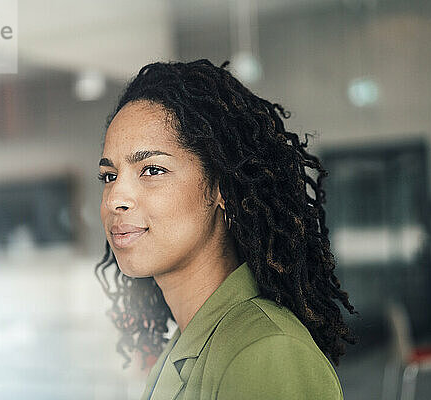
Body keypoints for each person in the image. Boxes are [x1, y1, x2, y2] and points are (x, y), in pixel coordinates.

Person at [95, 59, 358, 400]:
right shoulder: (186, 348)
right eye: (108, 176)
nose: (116, 197)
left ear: (220, 188)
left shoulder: (265, 353)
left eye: (152, 170)